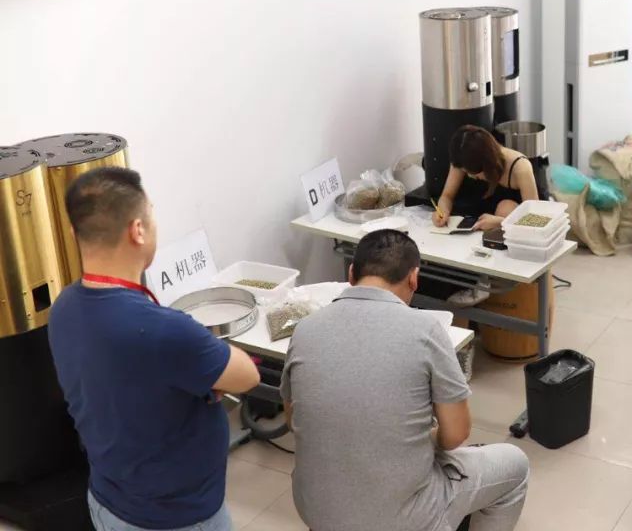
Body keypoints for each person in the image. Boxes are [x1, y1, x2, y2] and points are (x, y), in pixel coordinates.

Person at [48, 168, 260, 531]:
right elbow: (247, 376)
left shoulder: (63, 308)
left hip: (107, 503)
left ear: (73, 233)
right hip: (177, 519)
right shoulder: (164, 330)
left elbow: (129, 383)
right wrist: (204, 370)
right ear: (138, 230)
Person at [282, 229, 530, 531]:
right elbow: (456, 434)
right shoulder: (426, 329)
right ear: (414, 278)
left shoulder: (305, 329)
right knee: (515, 465)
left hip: (316, 510)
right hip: (404, 519)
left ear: (351, 273)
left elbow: (294, 419)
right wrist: (425, 440)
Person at [434, 125, 539, 231]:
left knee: (505, 208)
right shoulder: (462, 155)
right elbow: (447, 195)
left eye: (474, 173)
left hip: (510, 220)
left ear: (487, 165)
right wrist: (443, 210)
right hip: (478, 217)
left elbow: (535, 219)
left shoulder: (520, 168)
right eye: (465, 172)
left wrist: (500, 222)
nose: (470, 176)